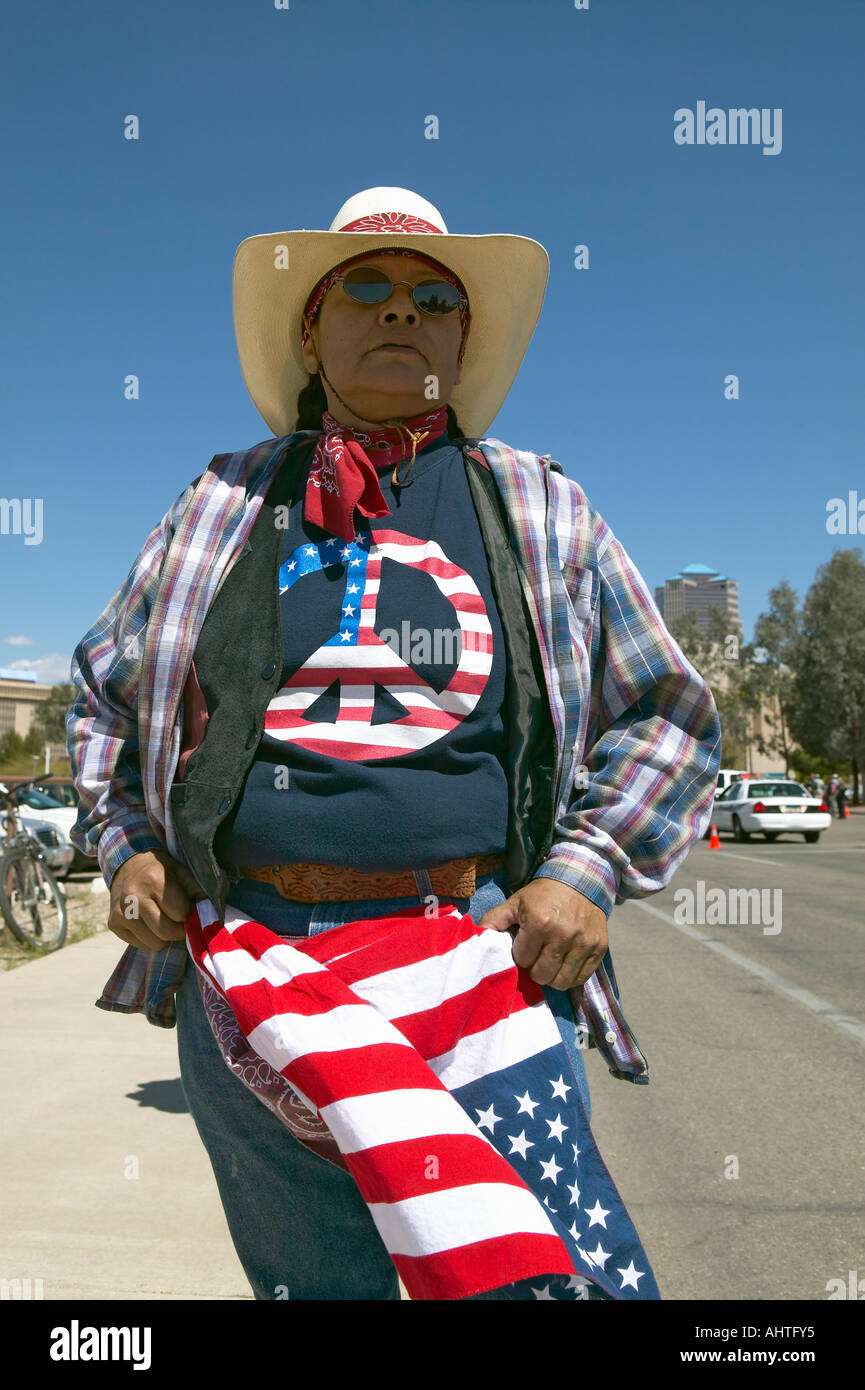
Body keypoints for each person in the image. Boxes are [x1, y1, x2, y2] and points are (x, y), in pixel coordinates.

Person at [67, 186, 722, 1300]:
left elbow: (665, 707)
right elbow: (101, 699)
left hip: (478, 962)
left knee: (534, 1281)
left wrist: (583, 870)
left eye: (433, 297)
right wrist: (128, 845)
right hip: (254, 966)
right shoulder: (222, 500)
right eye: (362, 286)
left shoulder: (539, 505)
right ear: (311, 331)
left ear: (462, 344)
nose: (400, 310)